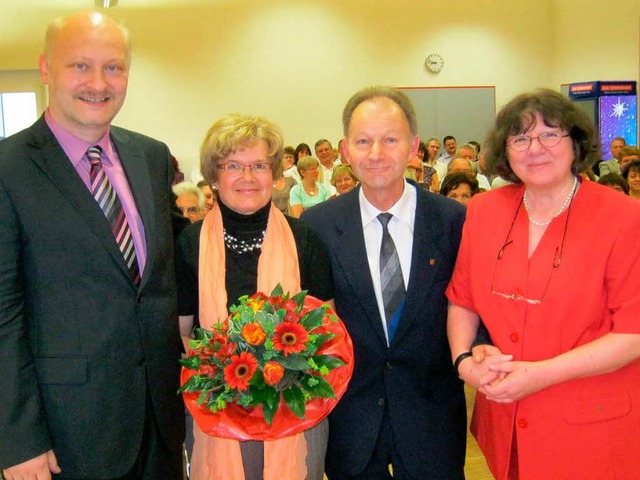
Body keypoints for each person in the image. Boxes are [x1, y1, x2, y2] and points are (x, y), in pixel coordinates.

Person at [0, 11, 187, 480]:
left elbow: (174, 267)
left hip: (160, 425)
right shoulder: (8, 169)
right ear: (46, 68)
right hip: (66, 436)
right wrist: (18, 439)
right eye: (80, 66)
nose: (98, 82)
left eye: (114, 67)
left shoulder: (152, 156)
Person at [447, 88, 640, 480]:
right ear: (506, 150)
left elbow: (634, 333)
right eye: (520, 138)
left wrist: (540, 374)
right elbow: (462, 300)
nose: (535, 148)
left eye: (550, 134)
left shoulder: (623, 217)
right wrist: (464, 361)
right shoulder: (484, 211)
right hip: (506, 420)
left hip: (592, 426)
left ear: (576, 143)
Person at [302, 86, 467, 479]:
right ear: (345, 150)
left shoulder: (452, 222)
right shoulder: (317, 227)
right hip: (351, 421)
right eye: (363, 141)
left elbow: (470, 306)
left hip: (432, 419)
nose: (375, 154)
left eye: (390, 140)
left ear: (413, 147)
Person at [175, 113, 334, 480]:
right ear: (214, 176)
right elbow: (182, 331)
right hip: (218, 409)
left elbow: (326, 332)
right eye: (233, 166)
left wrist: (281, 379)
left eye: (258, 165)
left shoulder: (305, 239)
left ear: (275, 174)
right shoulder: (188, 243)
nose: (247, 178)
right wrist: (222, 381)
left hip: (296, 410)